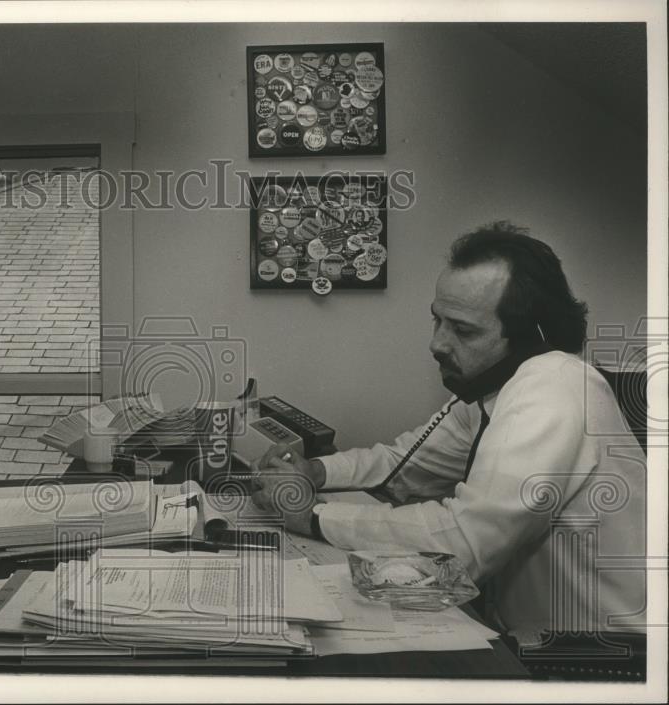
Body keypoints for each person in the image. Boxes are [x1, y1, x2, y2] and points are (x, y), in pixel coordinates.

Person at [252, 222, 647, 649]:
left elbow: (464, 542)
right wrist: (314, 470)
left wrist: (312, 516)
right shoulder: (492, 392)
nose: (436, 344)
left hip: (602, 655)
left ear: (534, 335)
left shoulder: (555, 388)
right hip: (527, 637)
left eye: (463, 330)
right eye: (437, 321)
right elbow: (399, 464)